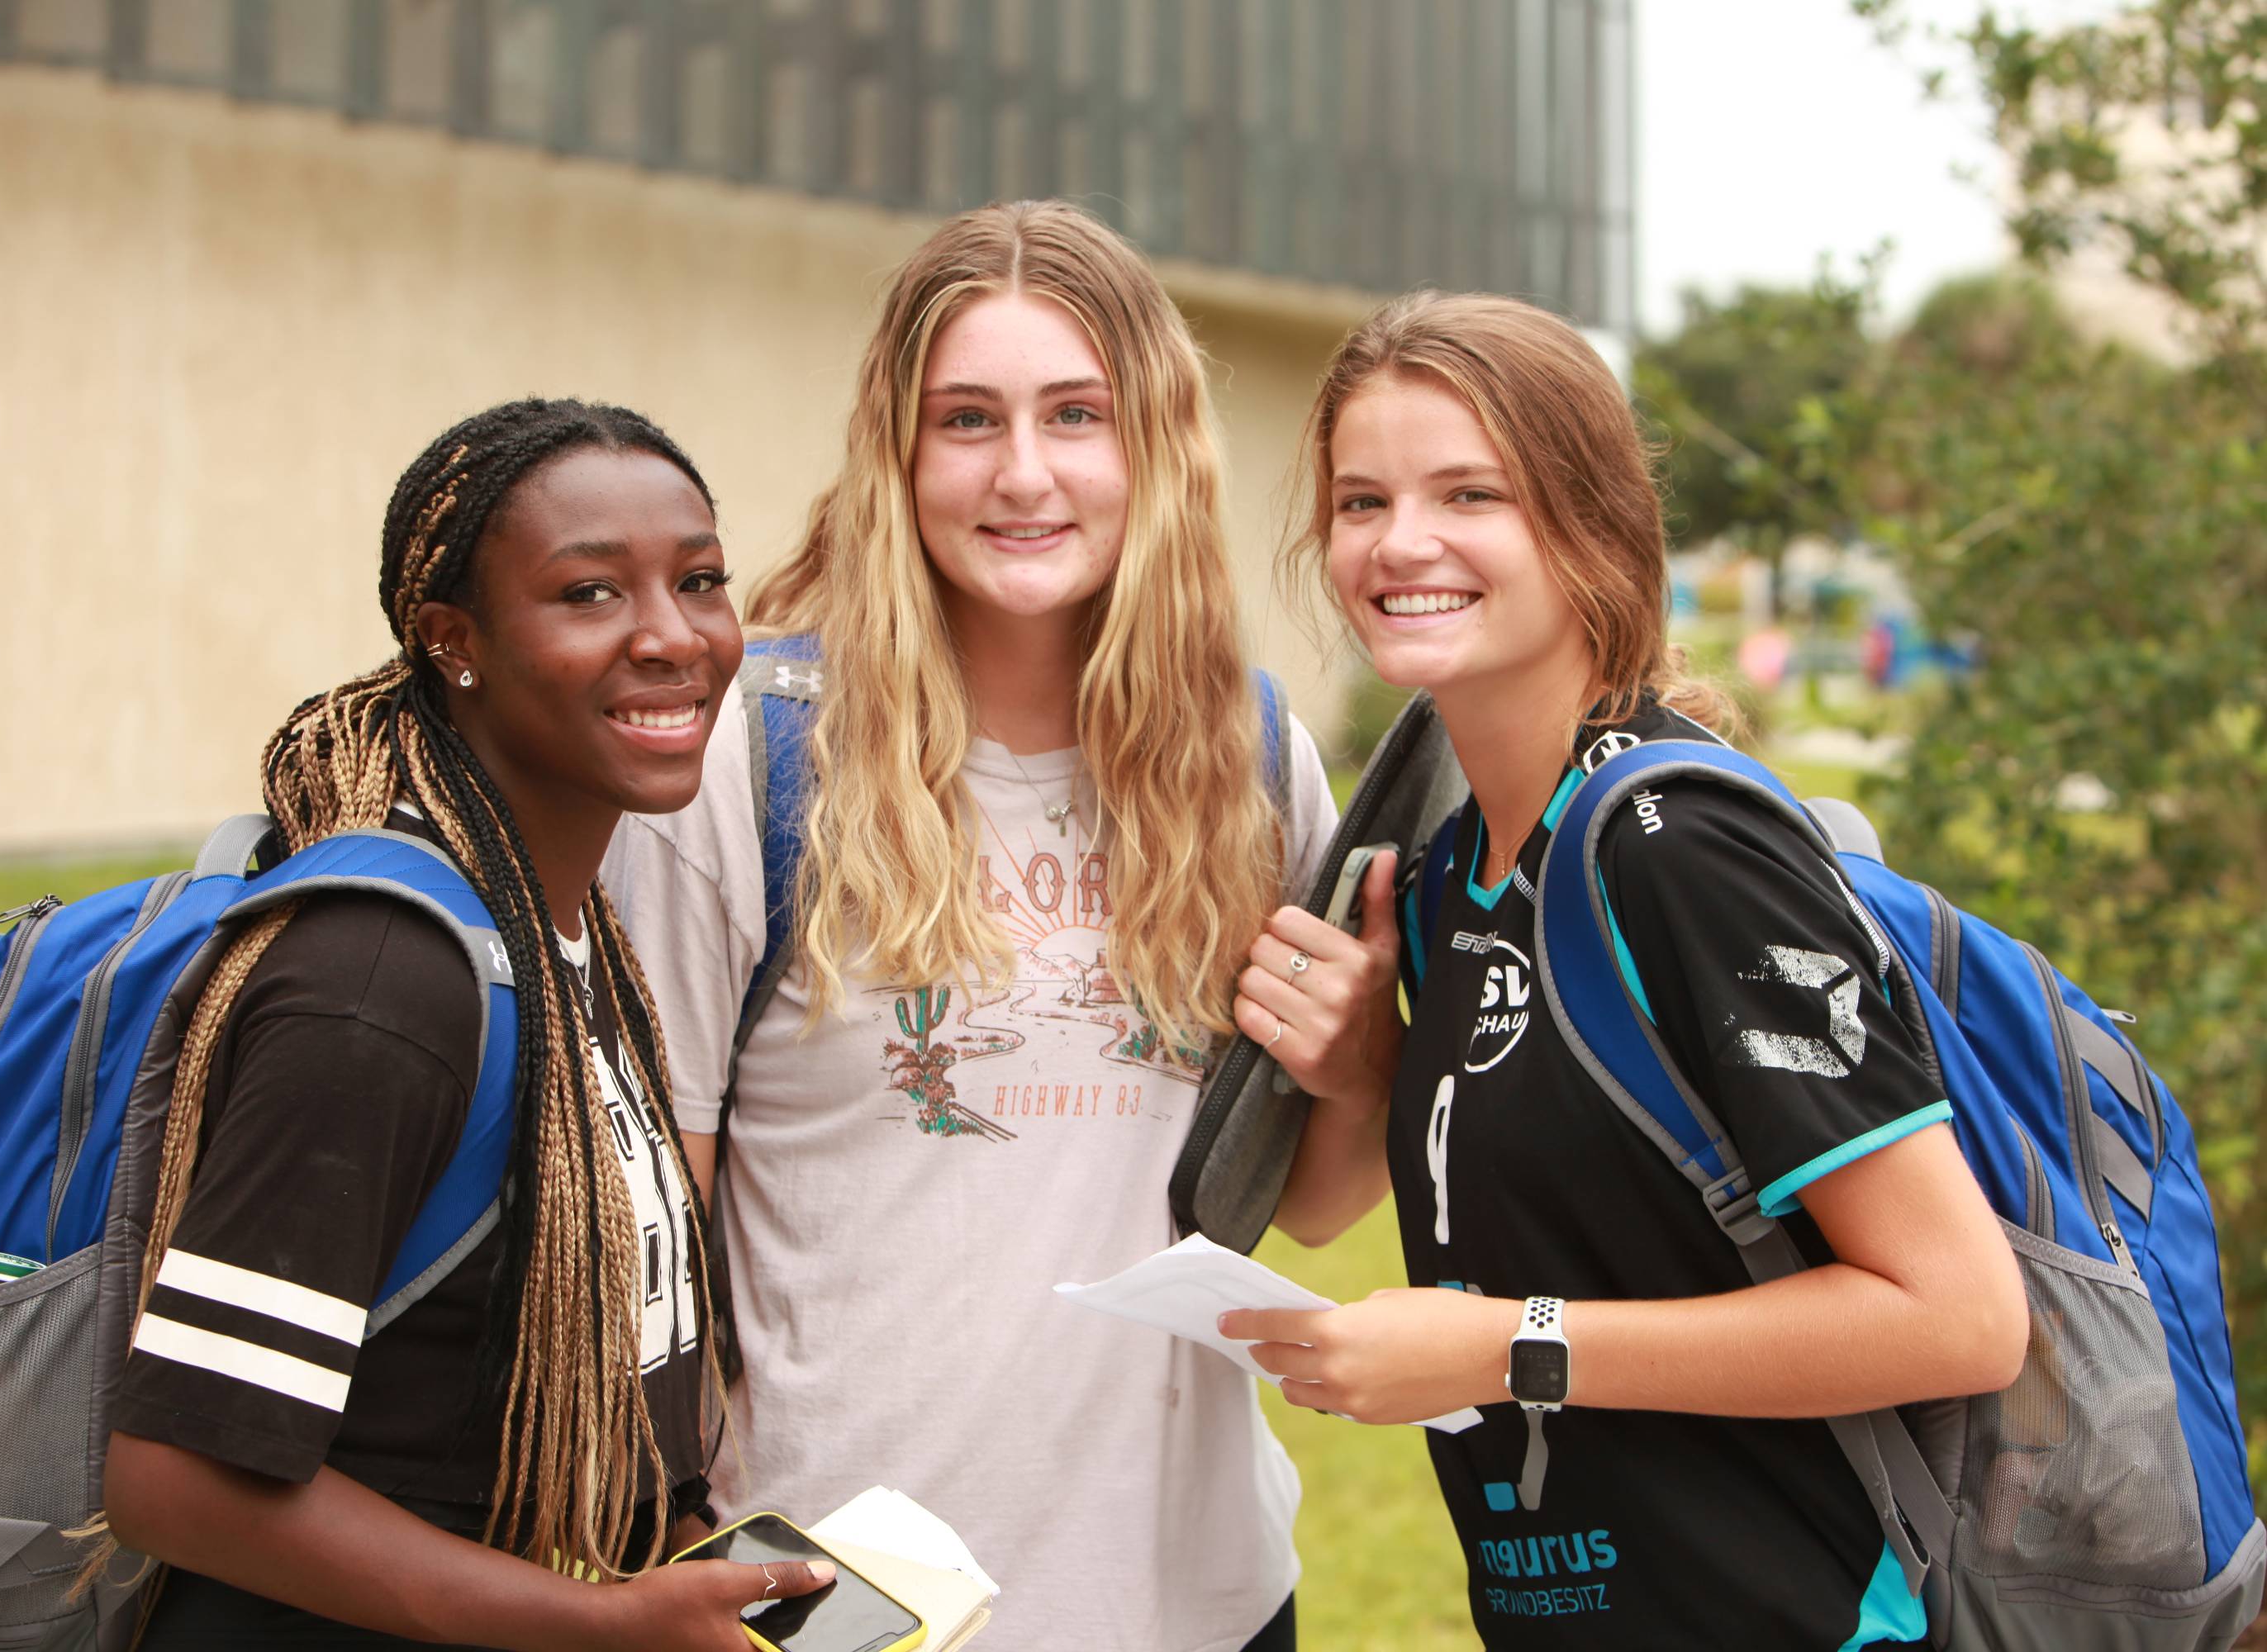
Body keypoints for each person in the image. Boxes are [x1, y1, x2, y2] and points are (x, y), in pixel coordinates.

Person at [1224, 293, 2028, 1650]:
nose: (1400, 542)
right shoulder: (1447, 875)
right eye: (1361, 502)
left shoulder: (1679, 849)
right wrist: (1362, 1070)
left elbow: (1956, 1316)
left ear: (1591, 528)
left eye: (1468, 492)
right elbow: (1328, 1208)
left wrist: (1507, 1350)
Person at [601, 202, 1338, 1651]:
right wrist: (676, 1536)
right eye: (966, 419)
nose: (1023, 473)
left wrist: (1354, 1054)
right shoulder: (754, 760)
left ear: (1155, 447)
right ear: (897, 449)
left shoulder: (1247, 756)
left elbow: (1311, 1200)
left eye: (1078, 414)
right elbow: (645, 1227)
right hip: (852, 1605)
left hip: (1202, 1599)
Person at [101, 399, 836, 1649]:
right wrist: (592, 1625)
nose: (673, 636)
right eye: (590, 594)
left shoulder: (575, 940)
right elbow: (176, 1478)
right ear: (456, 642)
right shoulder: (382, 981)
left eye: (700, 580)